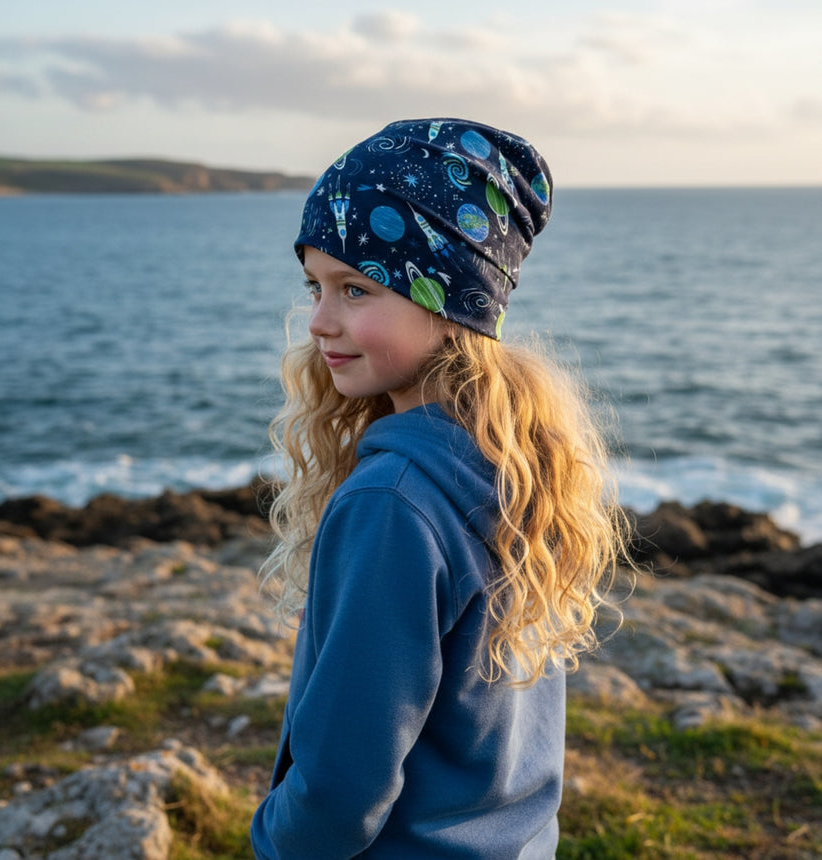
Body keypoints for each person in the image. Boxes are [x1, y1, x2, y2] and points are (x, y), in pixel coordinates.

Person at [250, 118, 629, 859]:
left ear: (449, 298)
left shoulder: (390, 502)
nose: (319, 322)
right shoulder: (515, 457)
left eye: (355, 289)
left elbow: (339, 787)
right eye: (315, 286)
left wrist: (272, 839)